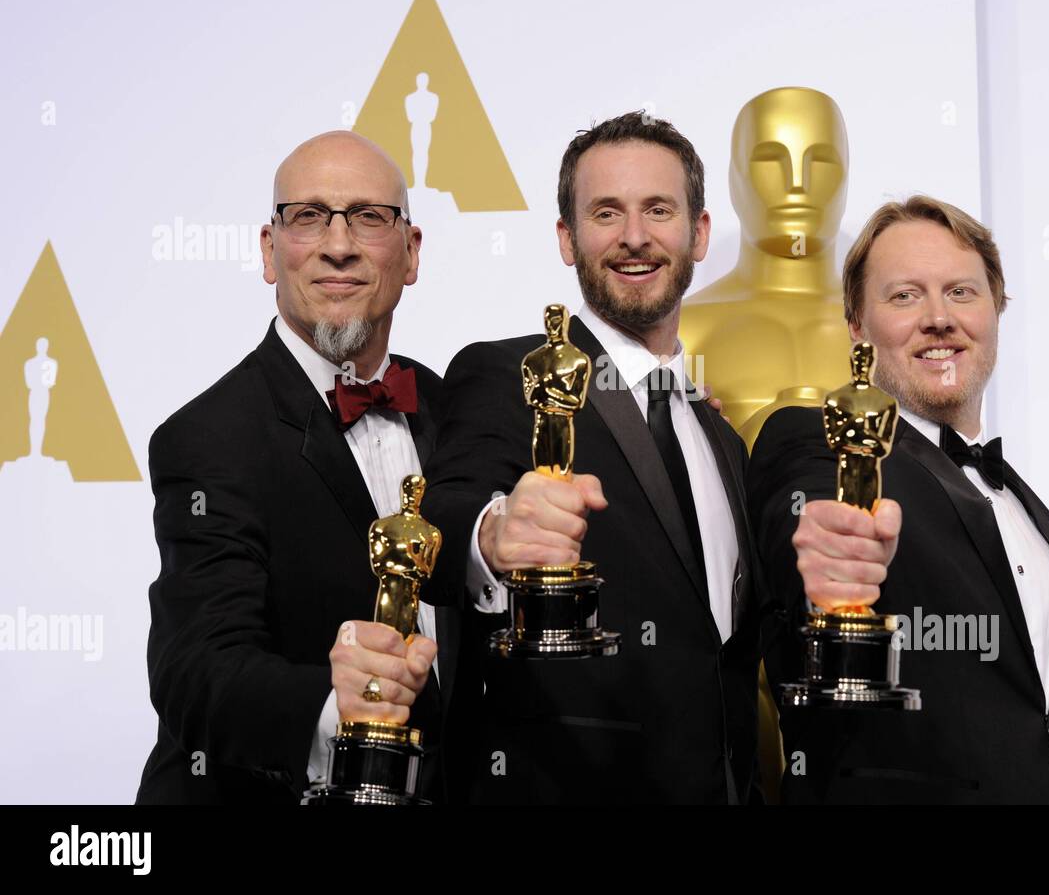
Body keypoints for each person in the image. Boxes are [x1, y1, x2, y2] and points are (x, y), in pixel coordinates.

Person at [425, 112, 765, 803]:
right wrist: (493, 533)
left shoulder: (721, 440)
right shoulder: (507, 374)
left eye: (659, 210)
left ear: (699, 235)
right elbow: (443, 514)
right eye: (606, 212)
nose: (634, 237)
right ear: (566, 238)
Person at [136, 131, 461, 803]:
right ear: (269, 249)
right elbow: (193, 668)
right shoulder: (206, 437)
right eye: (308, 216)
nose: (337, 245)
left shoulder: (455, 411)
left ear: (412, 252)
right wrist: (336, 704)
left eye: (370, 217)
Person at [750, 195, 1049, 803]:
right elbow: (806, 514)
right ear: (856, 324)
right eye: (904, 296)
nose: (938, 318)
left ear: (997, 309)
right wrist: (828, 553)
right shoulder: (822, 440)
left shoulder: (1010, 493)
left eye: (961, 292)